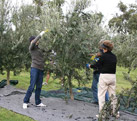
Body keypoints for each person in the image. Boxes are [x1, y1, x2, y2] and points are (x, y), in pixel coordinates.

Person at [89, 40, 118, 117]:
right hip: (113, 77)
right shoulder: (114, 56)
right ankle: (114, 112)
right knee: (113, 95)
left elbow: (97, 65)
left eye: (102, 47)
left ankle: (103, 114)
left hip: (104, 76)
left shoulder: (103, 56)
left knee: (101, 95)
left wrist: (90, 66)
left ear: (105, 48)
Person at [23, 31, 46, 109]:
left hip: (41, 69)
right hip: (35, 69)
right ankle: (25, 101)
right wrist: (40, 35)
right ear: (32, 41)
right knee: (32, 86)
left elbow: (46, 52)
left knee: (39, 87)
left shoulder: (39, 49)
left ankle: (38, 102)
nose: (37, 41)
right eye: (35, 40)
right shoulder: (31, 48)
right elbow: (34, 42)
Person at [89, 41, 109, 105]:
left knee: (102, 87)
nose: (100, 48)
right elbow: (94, 59)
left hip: (100, 73)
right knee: (94, 86)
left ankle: (106, 101)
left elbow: (98, 56)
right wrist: (91, 56)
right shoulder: (98, 55)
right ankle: (96, 100)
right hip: (96, 72)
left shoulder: (104, 54)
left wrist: (90, 65)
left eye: (100, 47)